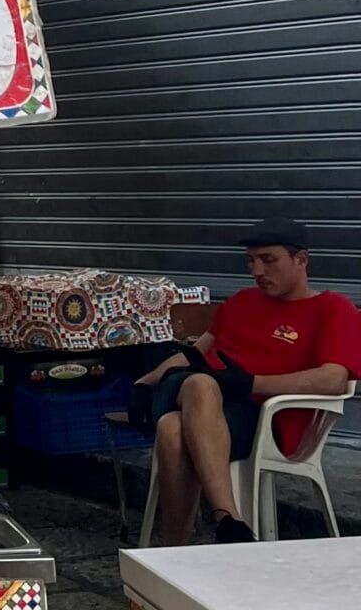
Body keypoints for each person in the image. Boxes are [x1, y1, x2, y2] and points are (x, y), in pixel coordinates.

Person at [136, 218, 361, 543]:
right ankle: (228, 522)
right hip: (206, 401)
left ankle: (177, 547)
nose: (257, 271)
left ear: (301, 260)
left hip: (266, 420)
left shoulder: (332, 309)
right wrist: (143, 383)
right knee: (197, 388)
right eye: (251, 261)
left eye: (268, 260)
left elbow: (333, 380)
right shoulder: (241, 302)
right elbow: (195, 356)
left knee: (173, 427)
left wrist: (252, 383)